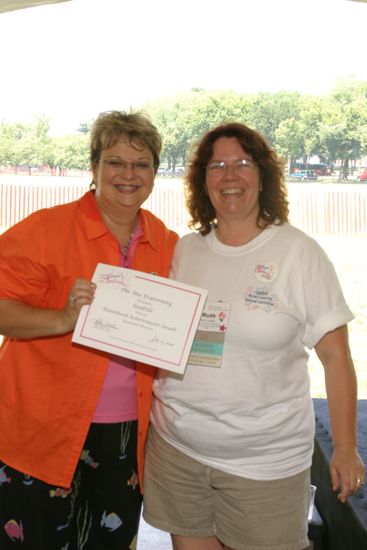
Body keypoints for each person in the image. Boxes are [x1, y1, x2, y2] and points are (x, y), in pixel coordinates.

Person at [143, 122, 365, 550]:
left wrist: (346, 447)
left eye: (243, 163)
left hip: (265, 465)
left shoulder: (299, 253)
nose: (230, 175)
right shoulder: (186, 250)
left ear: (263, 174)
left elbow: (336, 358)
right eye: (217, 165)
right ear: (201, 180)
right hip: (177, 452)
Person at [0, 110, 178, 549]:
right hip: (40, 429)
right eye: (115, 161)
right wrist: (61, 319)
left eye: (141, 164)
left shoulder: (168, 244)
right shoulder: (45, 230)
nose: (128, 174)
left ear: (156, 172)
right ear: (94, 167)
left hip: (126, 433)